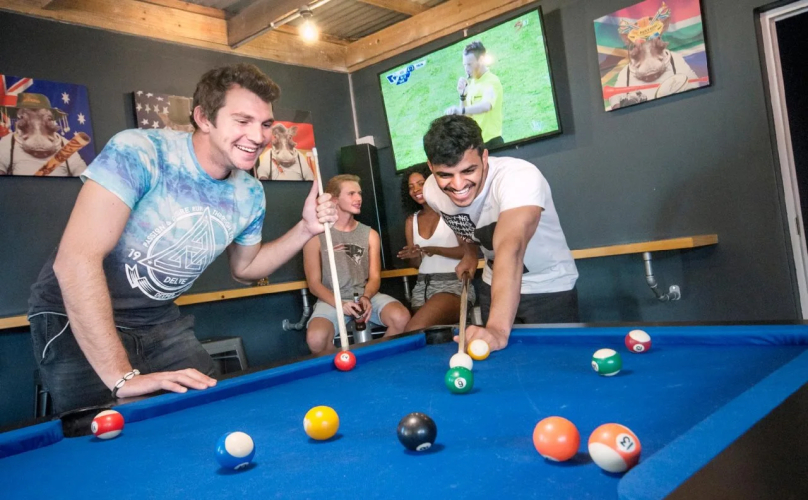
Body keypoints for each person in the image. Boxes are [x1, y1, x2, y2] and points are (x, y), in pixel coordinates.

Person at [27, 63, 337, 414]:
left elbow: (246, 269)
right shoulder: (140, 151)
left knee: (208, 411)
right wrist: (121, 377)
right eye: (242, 121)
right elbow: (75, 261)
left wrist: (305, 228)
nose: (258, 136)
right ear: (204, 118)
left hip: (156, 319)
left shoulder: (250, 193)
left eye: (265, 124)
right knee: (106, 428)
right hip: (72, 315)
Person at [422, 115, 579, 352]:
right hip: (492, 286)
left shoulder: (519, 177)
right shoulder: (432, 192)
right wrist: (469, 254)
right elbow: (461, 223)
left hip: (548, 287)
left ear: (484, 157)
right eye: (445, 175)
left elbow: (511, 248)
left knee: (554, 366)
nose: (458, 185)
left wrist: (496, 329)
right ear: (430, 167)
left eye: (468, 170)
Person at [303, 174, 410, 354]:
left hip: (365, 296)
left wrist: (366, 297)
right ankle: (345, 366)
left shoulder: (370, 234)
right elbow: (314, 284)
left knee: (401, 317)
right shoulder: (315, 236)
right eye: (351, 193)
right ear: (334, 199)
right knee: (316, 339)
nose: (358, 198)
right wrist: (340, 304)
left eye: (359, 193)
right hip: (331, 299)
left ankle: (375, 360)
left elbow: (374, 277)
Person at [397, 163, 476, 331]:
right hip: (422, 287)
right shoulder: (411, 220)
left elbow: (468, 251)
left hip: (453, 285)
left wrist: (435, 249)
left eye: (421, 183)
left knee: (414, 328)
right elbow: (416, 264)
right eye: (411, 187)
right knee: (428, 337)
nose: (416, 189)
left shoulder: (452, 210)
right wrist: (413, 256)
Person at [444, 41, 504, 149]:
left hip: (492, 143)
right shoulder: (472, 84)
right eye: (464, 65)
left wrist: (460, 110)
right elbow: (465, 117)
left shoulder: (491, 81)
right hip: (477, 145)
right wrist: (462, 96)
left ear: (481, 60)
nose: (466, 69)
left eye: (469, 64)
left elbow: (486, 106)